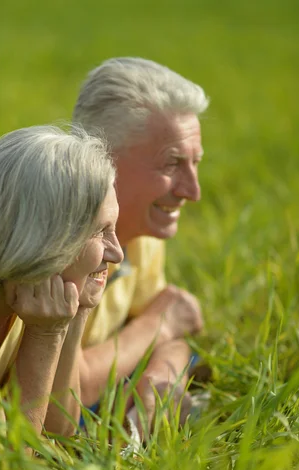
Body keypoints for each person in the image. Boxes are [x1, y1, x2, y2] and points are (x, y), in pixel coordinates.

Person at [0, 125, 123, 455]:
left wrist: (75, 313)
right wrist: (45, 338)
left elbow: (60, 432)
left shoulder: (25, 289)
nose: (116, 252)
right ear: (45, 236)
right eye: (101, 232)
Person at [72, 57, 209, 434]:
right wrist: (157, 323)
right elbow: (67, 392)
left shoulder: (141, 229)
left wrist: (161, 373)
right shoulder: (61, 245)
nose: (192, 191)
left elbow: (172, 339)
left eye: (195, 163)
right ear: (101, 160)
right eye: (171, 164)